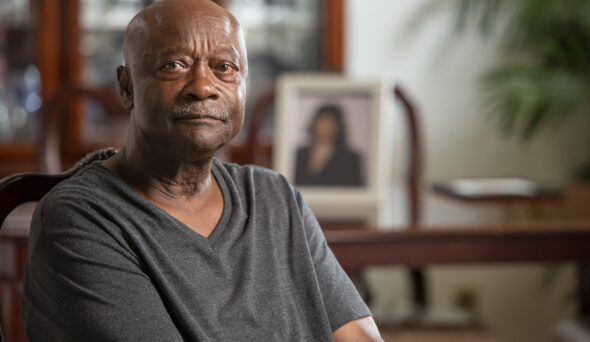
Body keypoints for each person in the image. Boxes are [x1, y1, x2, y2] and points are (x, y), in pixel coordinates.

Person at [22, 0, 382, 341]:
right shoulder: (80, 219)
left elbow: (358, 336)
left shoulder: (274, 196)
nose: (203, 87)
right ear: (126, 87)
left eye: (225, 67)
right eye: (174, 65)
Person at [295, 104, 363, 186]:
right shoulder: (299, 153)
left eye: (330, 125)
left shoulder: (350, 158)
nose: (325, 129)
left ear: (338, 127)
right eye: (322, 122)